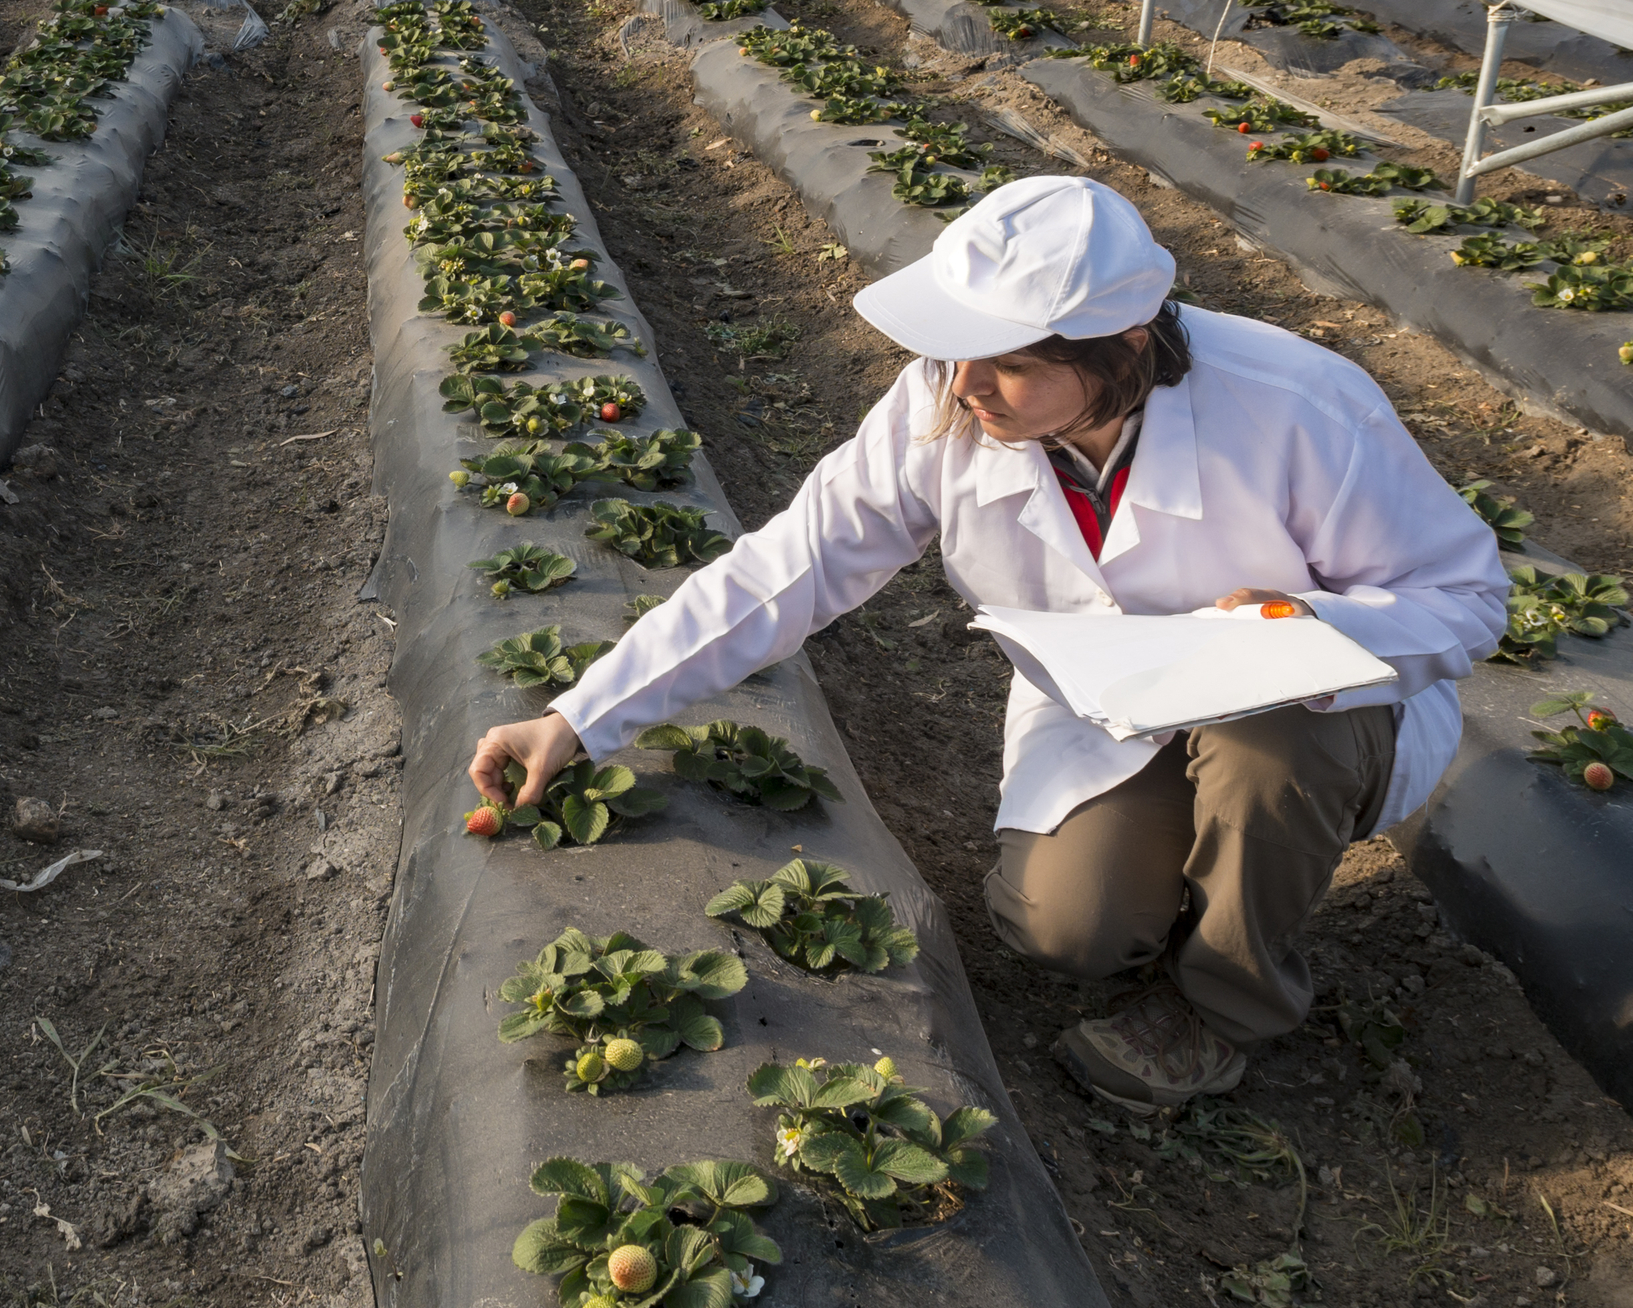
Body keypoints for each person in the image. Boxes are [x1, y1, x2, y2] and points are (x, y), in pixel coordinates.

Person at [468, 175, 1506, 1106]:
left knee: (1266, 744)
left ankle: (1224, 1007)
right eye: (956, 357)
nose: (966, 389)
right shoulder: (947, 398)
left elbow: (1462, 595)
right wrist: (581, 715)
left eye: (1007, 367)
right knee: (1068, 931)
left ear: (1123, 349)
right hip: (1107, 706)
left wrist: (1294, 627)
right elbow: (794, 563)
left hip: (1310, 718)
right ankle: (1197, 879)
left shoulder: (1293, 406)